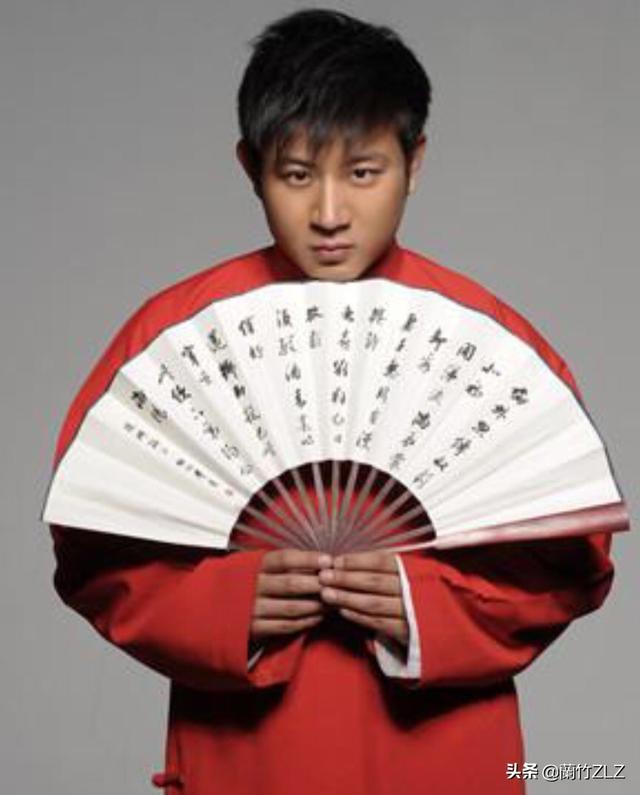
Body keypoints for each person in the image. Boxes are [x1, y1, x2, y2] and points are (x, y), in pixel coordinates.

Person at [47, 8, 618, 794]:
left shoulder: (487, 340)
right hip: (247, 760)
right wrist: (229, 607)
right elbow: (95, 550)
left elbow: (571, 559)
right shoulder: (175, 337)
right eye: (296, 175)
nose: (328, 213)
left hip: (448, 760)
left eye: (363, 172)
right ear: (250, 167)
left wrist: (424, 609)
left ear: (415, 163)